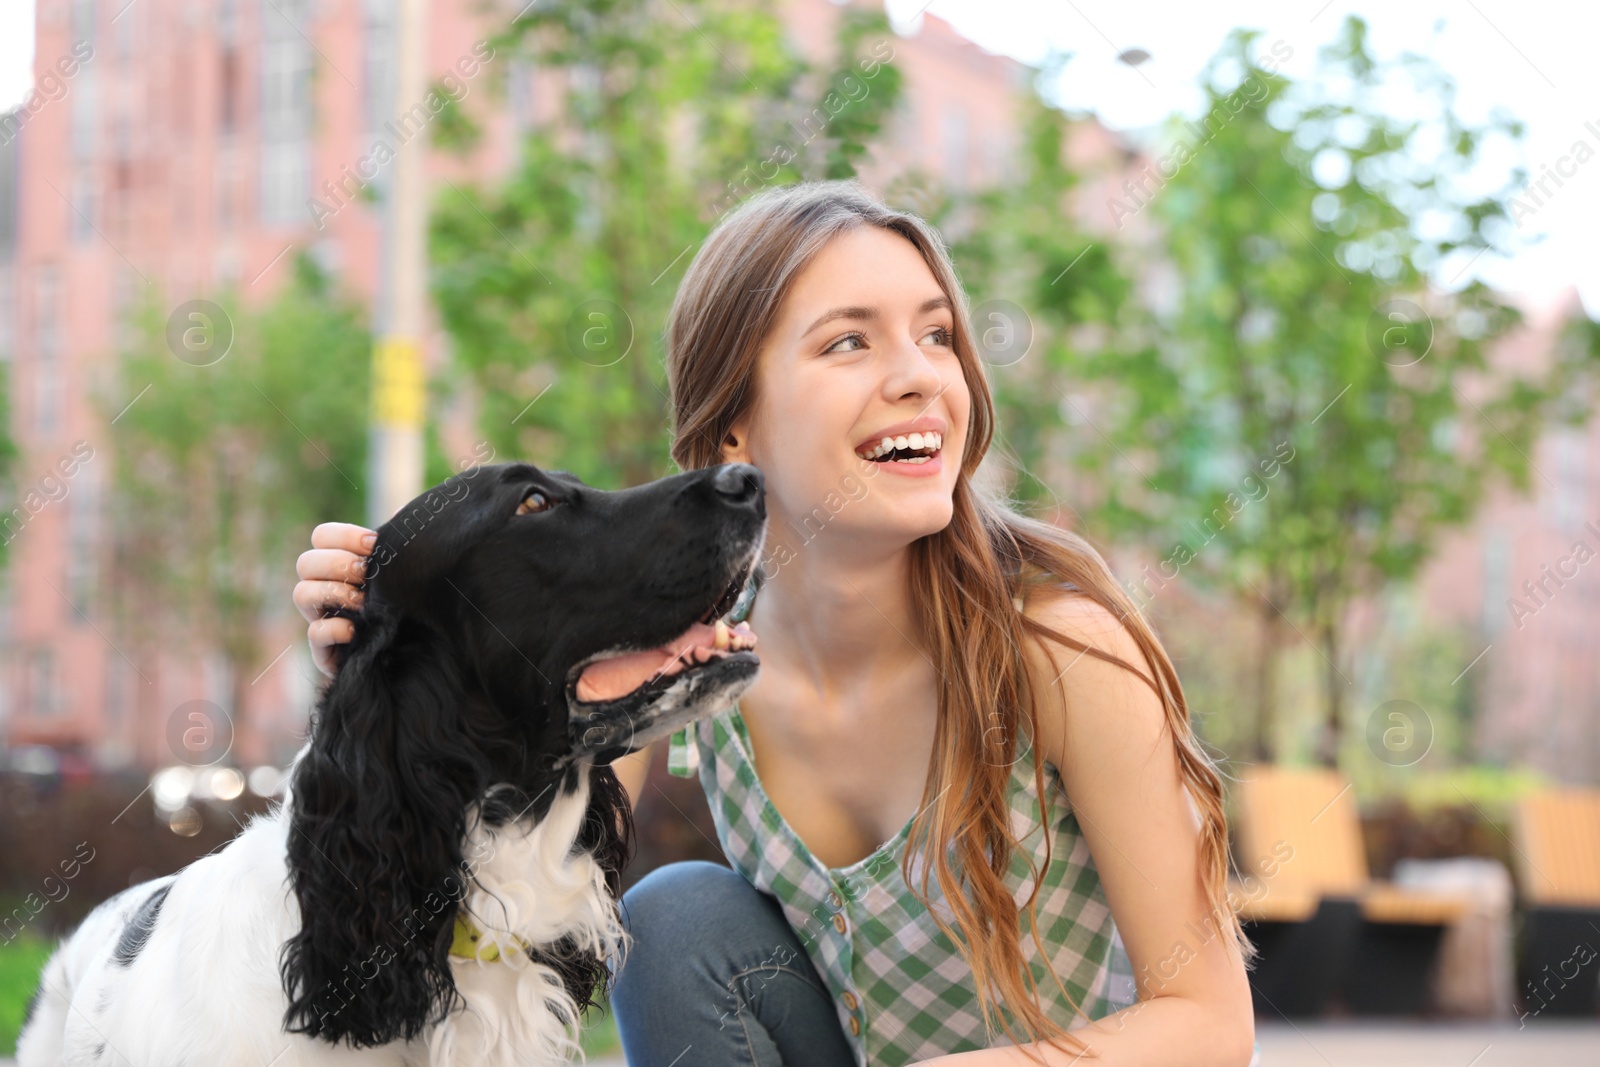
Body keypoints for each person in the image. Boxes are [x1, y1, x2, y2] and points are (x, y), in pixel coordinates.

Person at [294, 180, 1258, 1067]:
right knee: (674, 920)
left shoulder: (1057, 645)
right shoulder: (703, 654)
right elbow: (494, 905)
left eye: (937, 335)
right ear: (732, 432)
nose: (922, 376)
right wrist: (394, 651)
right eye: (850, 341)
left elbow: (1211, 1023)